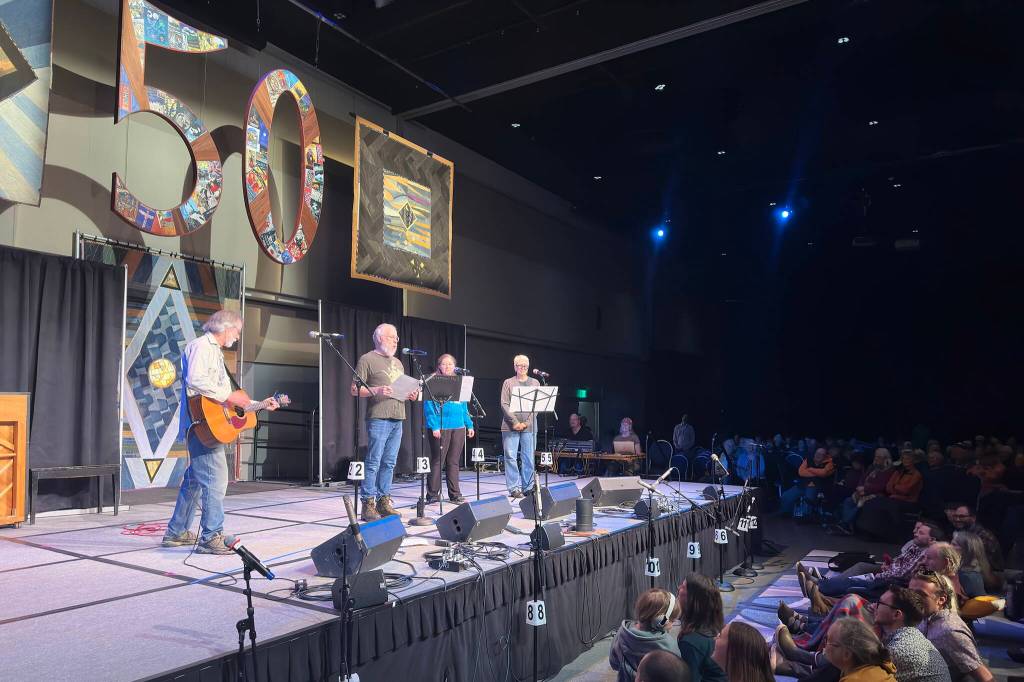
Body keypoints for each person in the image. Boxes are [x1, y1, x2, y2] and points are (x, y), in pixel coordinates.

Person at [164, 310, 280, 554]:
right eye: (236, 331)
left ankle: (176, 532)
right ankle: (210, 536)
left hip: (209, 423)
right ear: (225, 328)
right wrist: (228, 396)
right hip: (201, 425)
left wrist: (259, 404)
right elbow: (196, 380)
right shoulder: (202, 346)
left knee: (195, 480)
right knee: (215, 480)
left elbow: (232, 402)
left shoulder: (215, 352)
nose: (237, 337)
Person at [351, 323, 419, 521]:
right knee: (374, 461)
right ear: (380, 338)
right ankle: (368, 504)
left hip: (398, 416)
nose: (396, 340)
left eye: (397, 337)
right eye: (392, 337)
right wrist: (377, 390)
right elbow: (354, 390)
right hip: (379, 417)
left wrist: (410, 394)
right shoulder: (367, 359)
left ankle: (383, 501)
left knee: (389, 462)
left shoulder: (398, 362)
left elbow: (399, 390)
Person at [810, 521, 940, 601]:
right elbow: (899, 562)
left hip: (892, 582)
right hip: (889, 574)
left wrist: (887, 571)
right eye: (916, 530)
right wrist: (888, 565)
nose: (915, 533)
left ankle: (819, 587)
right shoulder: (914, 545)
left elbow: (903, 575)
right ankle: (821, 585)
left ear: (932, 540)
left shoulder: (927, 555)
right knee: (859, 571)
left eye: (920, 532)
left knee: (856, 583)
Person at [909, 571, 994, 681]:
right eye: (910, 593)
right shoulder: (924, 617)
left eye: (921, 595)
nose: (912, 599)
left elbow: (983, 675)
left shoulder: (950, 631)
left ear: (941, 600)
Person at [423, 353, 474, 504]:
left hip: (458, 426)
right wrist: (434, 426)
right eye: (444, 364)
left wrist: (469, 424)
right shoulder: (433, 381)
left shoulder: (460, 382)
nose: (447, 367)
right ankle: (432, 494)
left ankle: (455, 494)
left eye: (450, 364)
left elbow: (464, 406)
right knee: (438, 461)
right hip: (440, 427)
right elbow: (429, 407)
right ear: (439, 366)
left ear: (455, 366)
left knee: (453, 461)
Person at [873, 586, 951, 682]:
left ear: (897, 614)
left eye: (880, 603)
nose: (874, 606)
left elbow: (863, 677)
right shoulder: (911, 635)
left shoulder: (898, 649)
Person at [608, 588, 681, 682]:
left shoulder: (622, 632)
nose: (673, 624)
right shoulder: (669, 645)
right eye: (672, 620)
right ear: (660, 620)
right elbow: (676, 674)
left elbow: (614, 663)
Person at [500, 354, 539, 498]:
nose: (522, 368)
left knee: (528, 457)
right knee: (510, 456)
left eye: (525, 366)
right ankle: (514, 488)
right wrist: (515, 422)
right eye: (519, 365)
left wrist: (527, 423)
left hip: (529, 426)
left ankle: (528, 487)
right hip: (510, 426)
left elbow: (536, 406)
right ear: (515, 367)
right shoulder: (508, 382)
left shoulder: (535, 383)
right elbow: (504, 403)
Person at [676, 574, 726, 682]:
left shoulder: (691, 643)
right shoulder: (717, 626)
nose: (679, 588)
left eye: (683, 587)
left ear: (692, 599)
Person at [824, 618, 897, 681]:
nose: (825, 645)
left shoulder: (855, 680)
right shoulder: (879, 668)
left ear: (847, 654)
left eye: (828, 640)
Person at [949, 504, 1004, 572]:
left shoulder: (983, 536)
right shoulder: (959, 532)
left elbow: (978, 561)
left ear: (973, 518)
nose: (957, 519)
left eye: (962, 516)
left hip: (991, 573)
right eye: (955, 516)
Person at [780, 447, 836, 516]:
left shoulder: (829, 464)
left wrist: (810, 469)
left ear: (825, 456)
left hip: (817, 486)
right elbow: (801, 472)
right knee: (786, 496)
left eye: (821, 454)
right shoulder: (808, 460)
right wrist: (816, 473)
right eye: (817, 453)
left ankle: (805, 516)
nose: (818, 455)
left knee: (809, 498)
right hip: (802, 484)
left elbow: (823, 473)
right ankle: (786, 512)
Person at [952, 531, 1001, 595]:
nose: (949, 547)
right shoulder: (960, 570)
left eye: (954, 544)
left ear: (967, 549)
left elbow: (978, 603)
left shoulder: (970, 577)